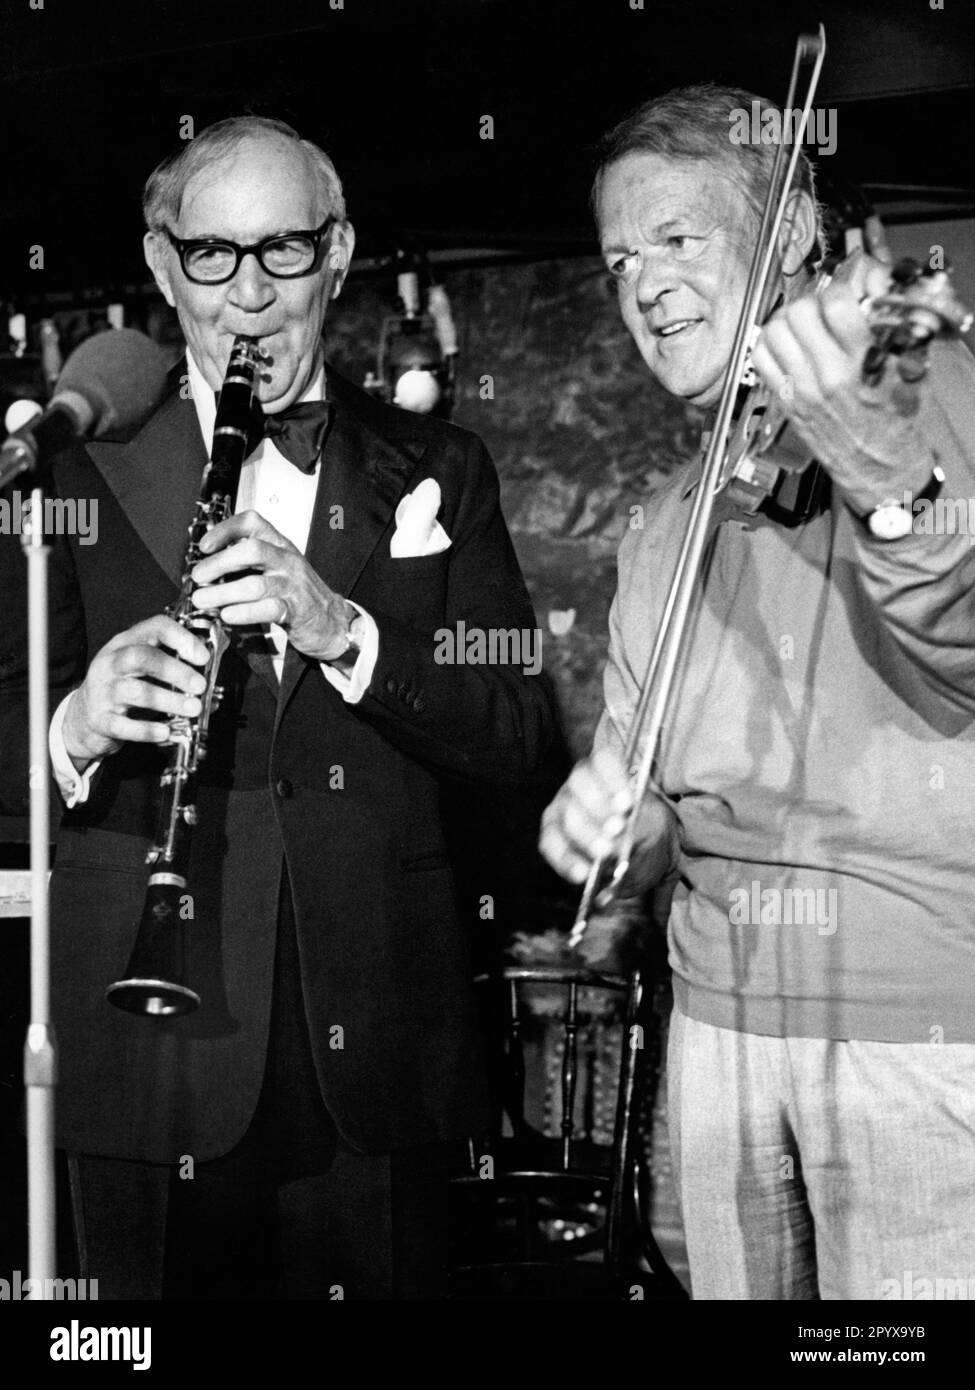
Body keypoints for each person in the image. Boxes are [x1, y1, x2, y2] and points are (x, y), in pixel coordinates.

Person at [0, 115, 556, 1299]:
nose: (248, 294)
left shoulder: (439, 469)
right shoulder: (69, 468)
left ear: (340, 253)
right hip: (139, 1040)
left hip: (376, 1048)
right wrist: (73, 725)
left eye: (285, 252)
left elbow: (518, 730)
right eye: (212, 256)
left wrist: (346, 631)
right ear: (161, 266)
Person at [540, 84, 975, 1300]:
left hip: (911, 1026)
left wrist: (883, 479)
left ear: (788, 234)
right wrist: (615, 826)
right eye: (622, 258)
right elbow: (656, 791)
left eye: (681, 238)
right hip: (719, 1019)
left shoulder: (915, 377)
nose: (644, 284)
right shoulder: (666, 521)